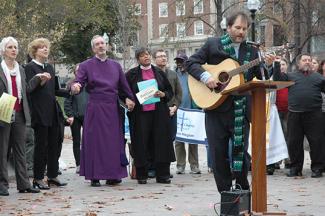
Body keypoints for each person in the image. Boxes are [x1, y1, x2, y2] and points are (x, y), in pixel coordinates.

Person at [185, 11, 276, 193]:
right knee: (218, 154)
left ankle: (242, 190)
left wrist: (268, 65)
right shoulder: (213, 44)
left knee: (240, 154)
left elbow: (259, 76)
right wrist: (206, 77)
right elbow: (191, 63)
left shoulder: (252, 50)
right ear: (228, 27)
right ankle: (225, 194)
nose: (241, 32)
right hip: (215, 108)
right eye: (237, 28)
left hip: (241, 109)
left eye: (244, 28)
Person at [70, 35, 135, 187]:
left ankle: (113, 175)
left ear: (107, 46)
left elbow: (124, 87)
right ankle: (95, 176)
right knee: (95, 142)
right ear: (93, 48)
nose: (100, 46)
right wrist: (76, 86)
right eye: (97, 44)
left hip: (112, 108)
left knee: (112, 142)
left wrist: (129, 98)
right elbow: (79, 80)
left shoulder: (116, 66)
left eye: (102, 43)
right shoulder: (86, 65)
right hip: (95, 107)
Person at [126, 47, 175, 184]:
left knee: (161, 142)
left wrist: (163, 94)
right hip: (140, 115)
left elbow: (169, 91)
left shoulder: (159, 72)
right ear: (138, 59)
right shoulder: (131, 74)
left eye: (147, 55)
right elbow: (123, 91)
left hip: (159, 113)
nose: (146, 57)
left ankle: (163, 175)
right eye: (142, 56)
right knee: (141, 143)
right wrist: (127, 100)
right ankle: (142, 175)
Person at [25, 38, 68, 190]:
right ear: (35, 51)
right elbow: (28, 90)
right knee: (41, 146)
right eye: (41, 47)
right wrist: (39, 81)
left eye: (46, 47)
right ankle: (37, 178)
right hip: (39, 112)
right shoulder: (29, 68)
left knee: (54, 145)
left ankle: (52, 176)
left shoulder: (49, 67)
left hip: (52, 112)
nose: (45, 49)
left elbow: (55, 90)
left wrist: (71, 91)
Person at [273, 53, 325, 178]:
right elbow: (277, 79)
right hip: (294, 114)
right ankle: (295, 168)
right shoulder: (291, 76)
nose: (307, 62)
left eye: (309, 60)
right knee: (294, 142)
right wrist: (275, 64)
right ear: (298, 63)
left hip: (315, 115)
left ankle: (317, 168)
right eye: (304, 60)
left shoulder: (319, 77)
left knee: (316, 142)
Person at [0, 36, 40, 195]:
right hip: (3, 112)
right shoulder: (0, 69)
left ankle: (24, 184)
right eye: (10, 47)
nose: (13, 50)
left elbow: (25, 91)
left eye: (15, 47)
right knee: (2, 150)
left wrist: (37, 79)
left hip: (20, 113)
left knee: (20, 150)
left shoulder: (21, 69)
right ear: (3, 50)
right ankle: (2, 184)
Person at [152, 49, 182, 178]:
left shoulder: (173, 74)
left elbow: (178, 93)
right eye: (160, 56)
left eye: (165, 56)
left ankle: (165, 169)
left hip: (171, 112)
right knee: (157, 140)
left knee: (170, 139)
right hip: (157, 112)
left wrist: (175, 107)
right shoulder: (151, 74)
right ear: (154, 59)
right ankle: (154, 168)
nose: (163, 58)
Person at [173, 53, 201, 175]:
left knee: (193, 141)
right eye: (178, 61)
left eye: (182, 61)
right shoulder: (173, 75)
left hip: (193, 110)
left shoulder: (193, 74)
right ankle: (180, 166)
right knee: (179, 141)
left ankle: (194, 166)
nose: (180, 64)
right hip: (178, 111)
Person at [64, 64, 88, 174]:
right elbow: (67, 102)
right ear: (74, 73)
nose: (79, 72)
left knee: (88, 141)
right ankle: (78, 164)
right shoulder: (71, 85)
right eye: (77, 71)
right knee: (76, 141)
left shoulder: (89, 84)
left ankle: (89, 163)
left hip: (88, 116)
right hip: (75, 117)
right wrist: (70, 115)